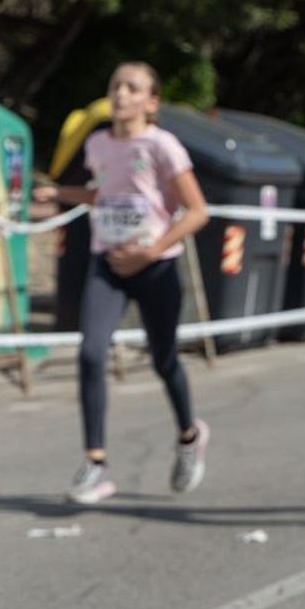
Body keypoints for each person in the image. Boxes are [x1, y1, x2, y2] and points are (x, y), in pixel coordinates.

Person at [36, 62, 210, 505]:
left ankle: (189, 435)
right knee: (91, 352)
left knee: (164, 360)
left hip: (155, 268)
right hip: (108, 263)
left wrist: (150, 251)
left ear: (151, 103)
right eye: (115, 85)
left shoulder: (162, 145)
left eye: (132, 88)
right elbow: (106, 194)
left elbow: (196, 211)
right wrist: (60, 194)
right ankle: (96, 463)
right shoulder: (97, 144)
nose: (121, 94)